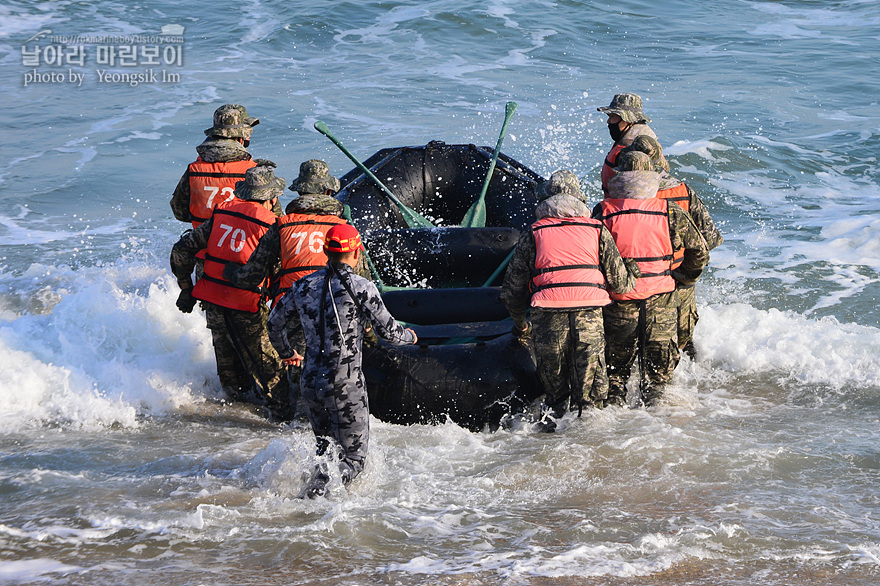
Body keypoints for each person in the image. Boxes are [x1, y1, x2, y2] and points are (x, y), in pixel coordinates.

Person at [267, 224, 417, 497]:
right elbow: (389, 333)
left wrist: (288, 353)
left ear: (326, 252)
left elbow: (273, 323)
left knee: (326, 453)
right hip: (344, 383)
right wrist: (410, 337)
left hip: (311, 380)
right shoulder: (361, 287)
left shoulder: (302, 285)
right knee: (353, 461)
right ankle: (308, 503)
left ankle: (313, 510)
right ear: (357, 252)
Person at [501, 170, 638, 431]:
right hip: (589, 316)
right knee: (591, 398)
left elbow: (513, 291)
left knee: (555, 396)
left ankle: (554, 453)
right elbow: (621, 283)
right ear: (579, 198)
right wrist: (634, 268)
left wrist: (521, 325)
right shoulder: (597, 229)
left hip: (548, 318)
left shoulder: (534, 233)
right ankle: (593, 453)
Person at [222, 160, 357, 419]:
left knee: (299, 374)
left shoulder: (283, 225)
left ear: (299, 193)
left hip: (294, 311)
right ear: (329, 192)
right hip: (336, 310)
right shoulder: (344, 229)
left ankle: (294, 428)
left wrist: (232, 273)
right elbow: (360, 281)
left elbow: (253, 274)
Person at [170, 161, 291, 416]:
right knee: (273, 376)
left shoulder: (223, 213)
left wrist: (186, 288)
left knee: (231, 381)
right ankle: (279, 426)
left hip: (213, 303)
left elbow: (181, 249)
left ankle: (229, 424)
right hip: (245, 306)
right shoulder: (271, 224)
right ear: (270, 198)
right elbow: (278, 272)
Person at [593, 151, 709, 407]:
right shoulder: (670, 211)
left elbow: (591, 257)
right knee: (658, 384)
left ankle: (612, 437)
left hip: (620, 305)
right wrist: (683, 277)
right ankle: (657, 434)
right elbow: (700, 251)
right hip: (662, 305)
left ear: (619, 176)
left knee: (615, 380)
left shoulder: (604, 212)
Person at [622, 135, 724, 359]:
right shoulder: (684, 191)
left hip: (638, 281)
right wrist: (686, 273)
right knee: (681, 341)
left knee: (632, 347)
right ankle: (698, 388)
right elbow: (710, 239)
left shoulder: (624, 195)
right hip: (678, 276)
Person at [170, 104, 260, 228]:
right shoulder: (253, 171)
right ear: (240, 137)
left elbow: (179, 211)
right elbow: (268, 218)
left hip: (201, 243)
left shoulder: (194, 169)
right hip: (239, 243)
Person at [597, 93, 658, 195]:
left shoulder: (633, 150)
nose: (608, 121)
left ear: (628, 120)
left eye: (613, 116)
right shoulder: (638, 141)